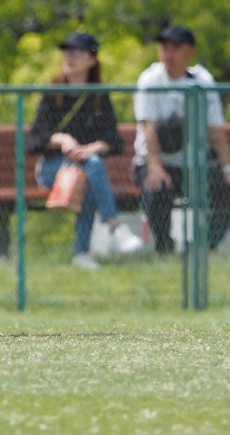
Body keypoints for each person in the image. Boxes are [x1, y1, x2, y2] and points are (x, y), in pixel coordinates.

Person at [27, 33, 144, 270]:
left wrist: (92, 148)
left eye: (77, 52)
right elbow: (34, 139)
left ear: (92, 59)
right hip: (51, 170)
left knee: (90, 170)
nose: (70, 57)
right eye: (66, 51)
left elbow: (113, 140)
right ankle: (113, 228)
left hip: (86, 168)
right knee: (93, 167)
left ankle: (82, 254)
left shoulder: (98, 96)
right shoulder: (53, 93)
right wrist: (62, 140)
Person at [134, 25, 230, 254]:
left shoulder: (202, 81)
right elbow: (148, 128)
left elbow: (215, 129)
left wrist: (229, 167)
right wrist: (155, 168)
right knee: (156, 190)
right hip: (157, 161)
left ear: (190, 52)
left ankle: (201, 247)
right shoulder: (150, 79)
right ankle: (165, 248)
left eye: (175, 48)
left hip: (194, 164)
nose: (168, 54)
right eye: (164, 48)